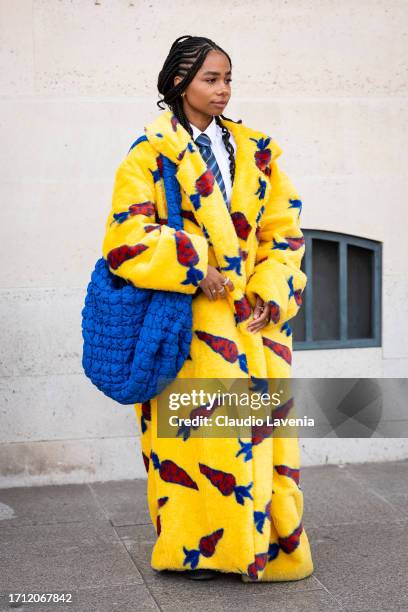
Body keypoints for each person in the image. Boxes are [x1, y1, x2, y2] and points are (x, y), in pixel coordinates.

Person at [102, 35, 314, 582]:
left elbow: (283, 232)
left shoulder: (258, 150)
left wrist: (271, 291)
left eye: (227, 79)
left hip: (254, 326)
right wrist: (198, 265)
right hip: (189, 327)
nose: (222, 90)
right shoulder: (149, 153)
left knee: (261, 442)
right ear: (178, 83)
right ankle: (196, 549)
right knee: (195, 446)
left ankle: (262, 547)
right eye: (209, 80)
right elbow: (125, 237)